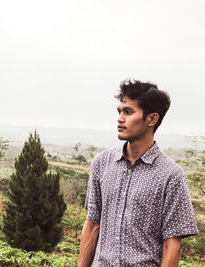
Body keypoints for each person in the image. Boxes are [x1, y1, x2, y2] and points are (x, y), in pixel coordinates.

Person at [78, 79, 198, 267]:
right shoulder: (102, 164)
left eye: (128, 112)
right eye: (119, 111)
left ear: (152, 119)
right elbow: (93, 225)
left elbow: (171, 245)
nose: (120, 118)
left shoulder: (171, 176)